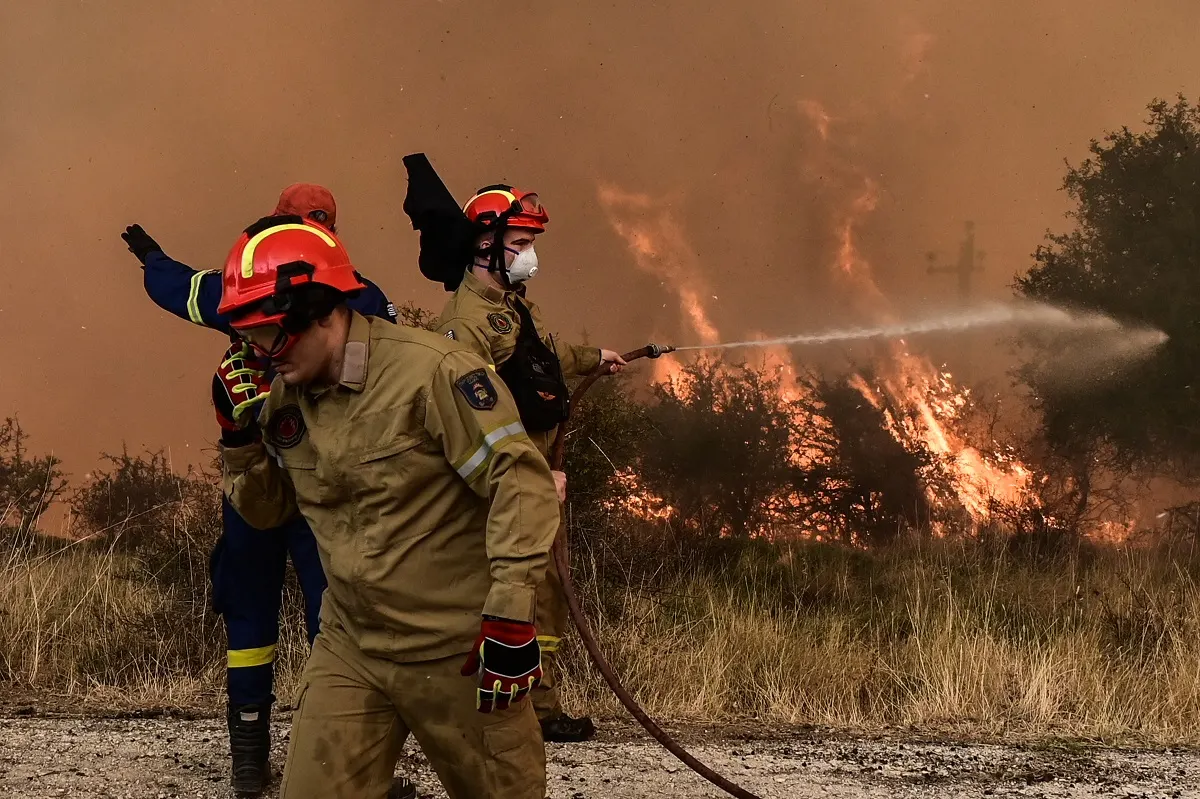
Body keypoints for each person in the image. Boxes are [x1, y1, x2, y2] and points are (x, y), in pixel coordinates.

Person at [216, 215, 560, 799]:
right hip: (351, 645)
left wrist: (510, 612)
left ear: (323, 309)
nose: (258, 351)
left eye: (270, 332)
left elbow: (520, 483)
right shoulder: (284, 394)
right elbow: (270, 511)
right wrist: (237, 439)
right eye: (248, 335)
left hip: (460, 651)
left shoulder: (433, 374)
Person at [121, 184, 406, 798]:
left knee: (263, 611)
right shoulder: (356, 293)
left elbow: (182, 291)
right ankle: (333, 760)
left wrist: (152, 262)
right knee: (332, 612)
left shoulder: (243, 285)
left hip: (265, 471)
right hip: (314, 479)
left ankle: (260, 760)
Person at [433, 184, 625, 742]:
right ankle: (514, 711)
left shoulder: (508, 306)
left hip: (537, 467)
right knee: (516, 585)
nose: (530, 254)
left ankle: (539, 706)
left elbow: (537, 357)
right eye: (521, 242)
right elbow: (470, 419)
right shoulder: (464, 324)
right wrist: (533, 475)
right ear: (486, 246)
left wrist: (593, 358)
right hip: (510, 477)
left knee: (545, 589)